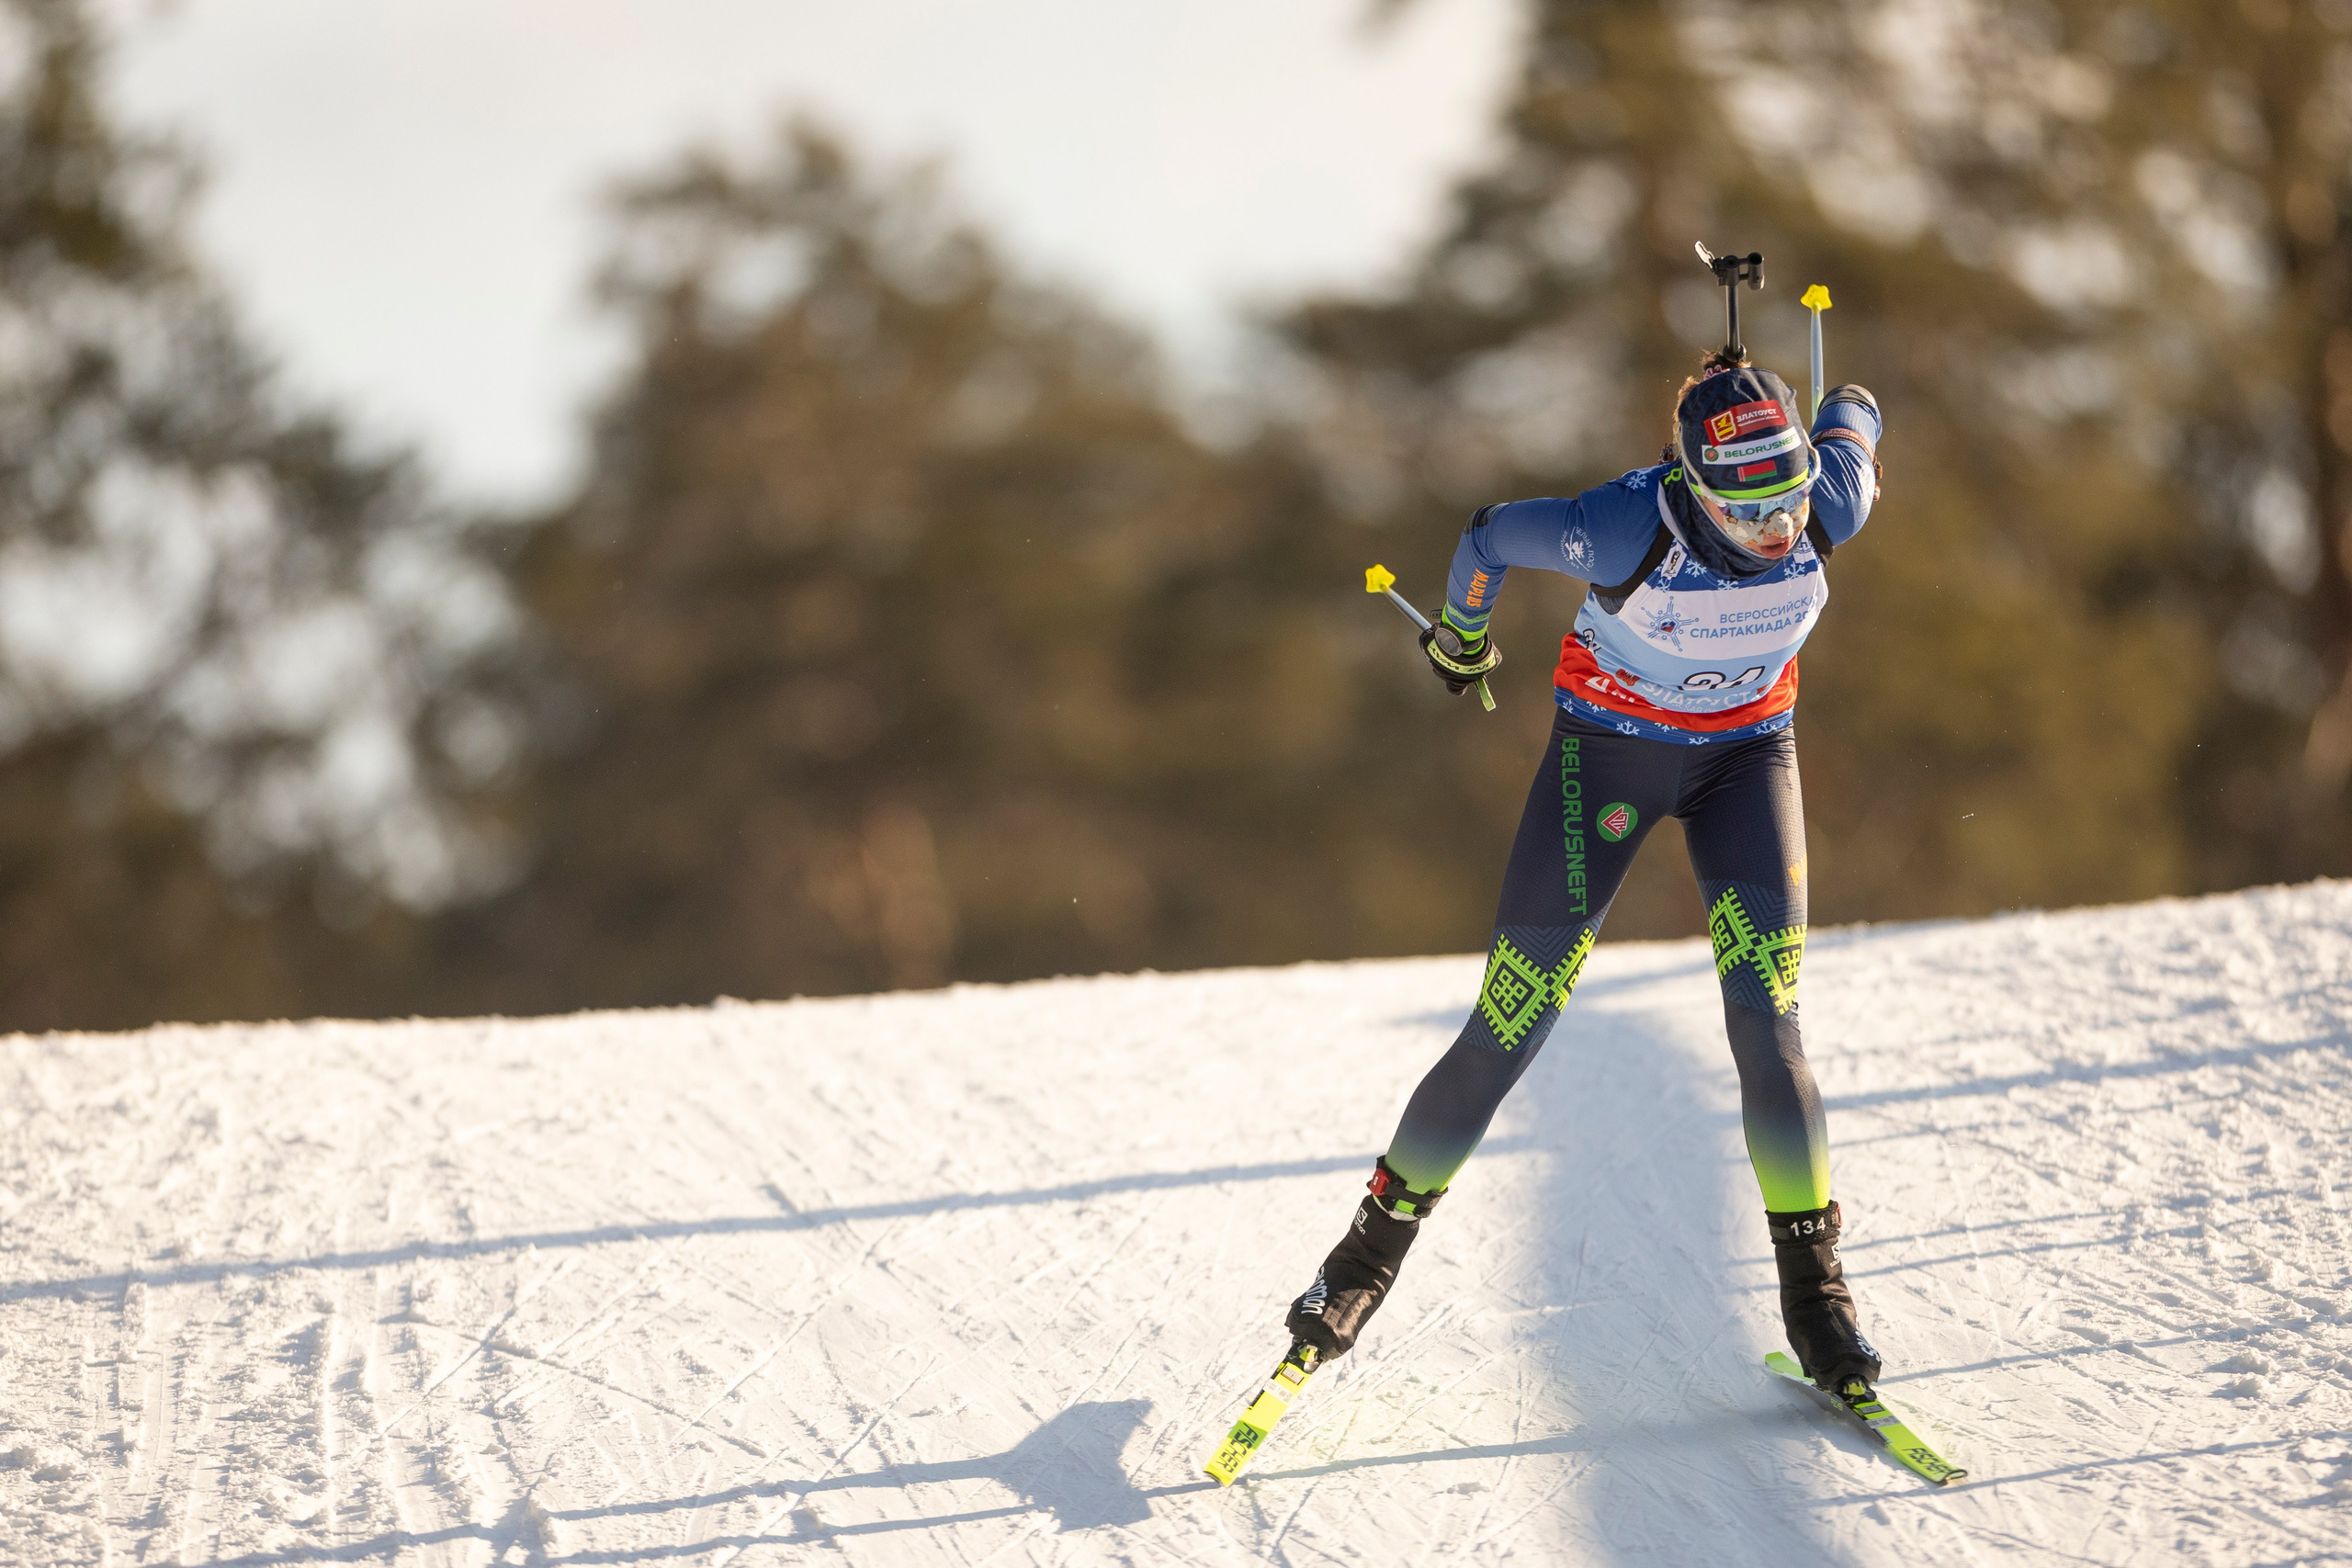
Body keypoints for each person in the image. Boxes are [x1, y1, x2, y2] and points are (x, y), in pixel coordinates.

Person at [1285, 354, 1885, 1392]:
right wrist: (1462, 637)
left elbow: (1856, 420)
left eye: (1788, 504)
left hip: (1748, 764)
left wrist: (1839, 409)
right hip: (1605, 762)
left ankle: (1815, 1292)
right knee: (1510, 1023)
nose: (1779, 533)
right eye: (1747, 516)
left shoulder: (1828, 503)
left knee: (1768, 1020)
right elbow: (1485, 534)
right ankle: (1359, 1263)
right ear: (1692, 489)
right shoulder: (1621, 526)